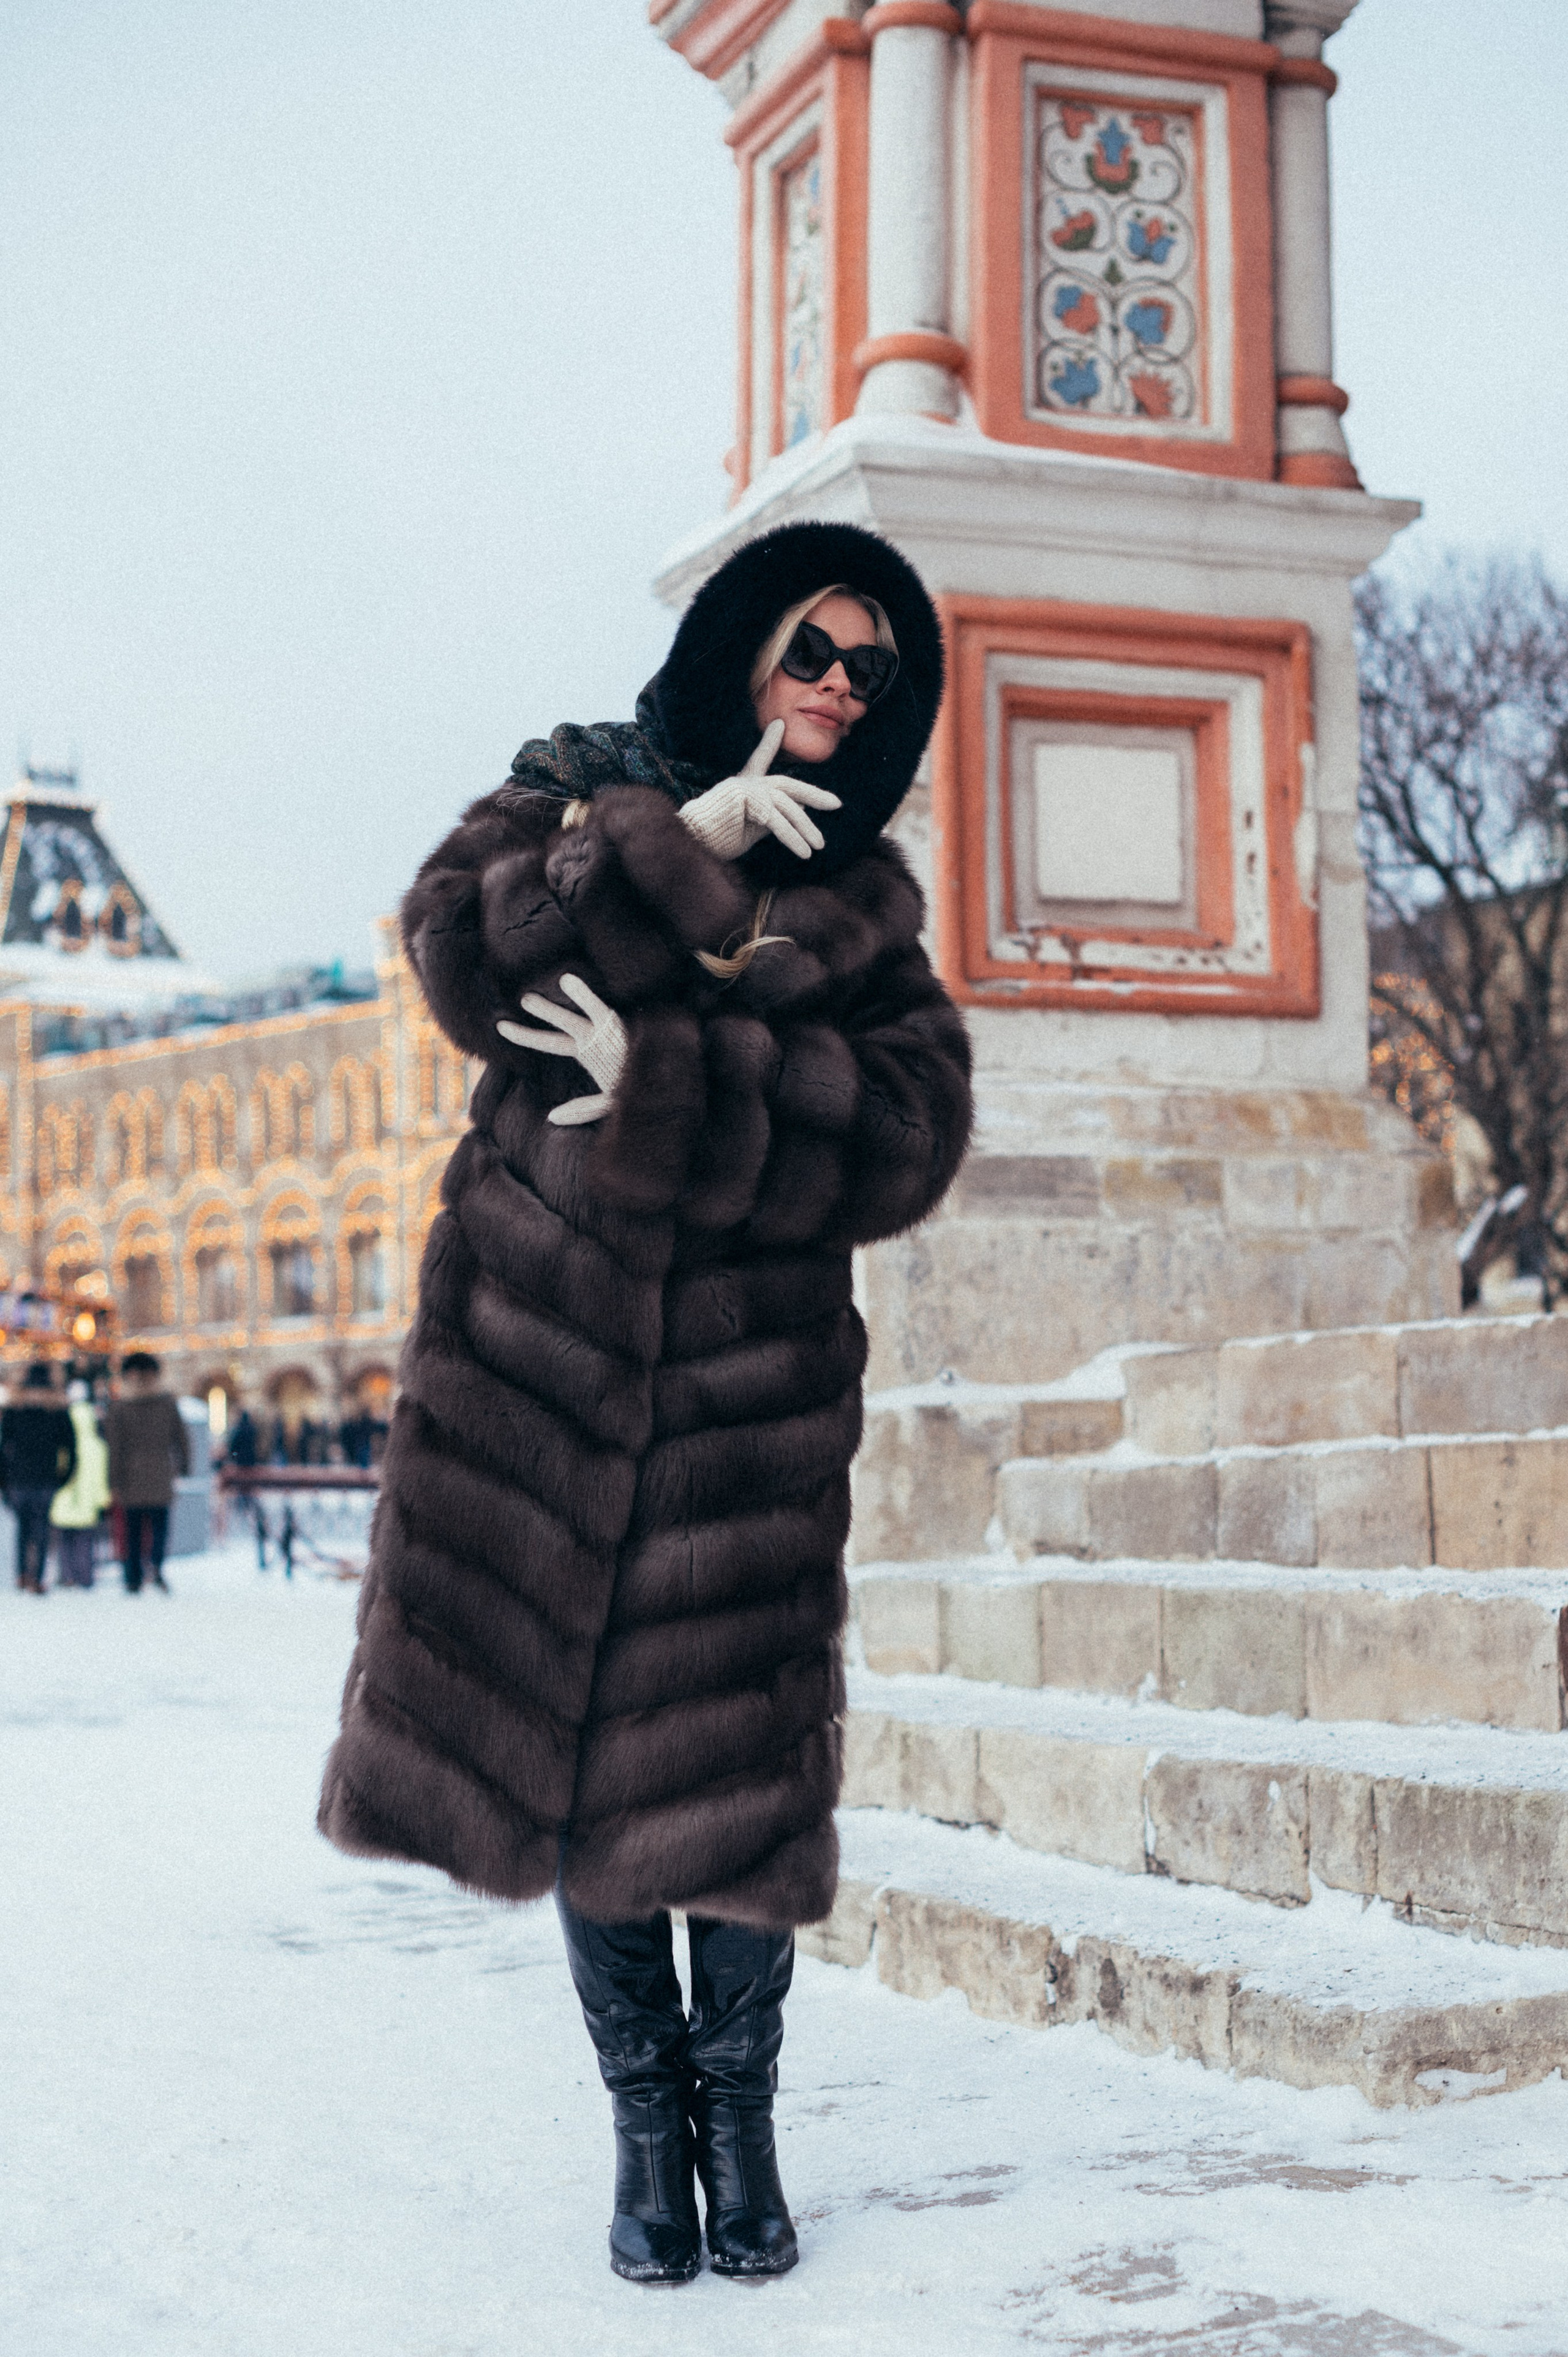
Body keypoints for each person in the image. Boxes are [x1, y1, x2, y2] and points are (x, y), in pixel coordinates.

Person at [317, 521, 972, 2285]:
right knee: (582, 1759)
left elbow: (909, 1129)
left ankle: (741, 2126)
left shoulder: (860, 898)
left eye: (871, 669)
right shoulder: (570, 789)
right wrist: (672, 847)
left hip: (749, 1399)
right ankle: (645, 2132)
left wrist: (680, 1063)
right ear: (742, 646)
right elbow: (462, 956)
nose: (839, 684)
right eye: (813, 647)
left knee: (738, 1775)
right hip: (540, 1362)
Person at [105, 1352, 190, 1594]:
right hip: (160, 1474)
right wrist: (184, 1467)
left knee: (132, 1530)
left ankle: (133, 1576)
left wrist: (113, 1482)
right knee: (160, 1527)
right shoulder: (167, 1403)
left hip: (131, 1477)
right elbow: (181, 1438)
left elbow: (115, 1448)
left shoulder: (121, 1407)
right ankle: (156, 1567)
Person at [1, 1363, 76, 1593]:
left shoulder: (15, 1408)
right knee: (42, 1527)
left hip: (19, 1478)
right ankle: (38, 1576)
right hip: (46, 1477)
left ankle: (22, 1573)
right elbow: (71, 1448)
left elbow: (3, 1447)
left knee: (22, 1528)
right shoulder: (58, 1409)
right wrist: (64, 1477)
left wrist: (4, 1480)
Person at [50, 1378, 111, 1587]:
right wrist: (103, 1499)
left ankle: (67, 1576)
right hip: (87, 1503)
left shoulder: (62, 1444)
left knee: (65, 1540)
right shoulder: (97, 1445)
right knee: (85, 1540)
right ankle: (85, 1576)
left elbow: (58, 1471)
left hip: (63, 1501)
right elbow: (101, 1476)